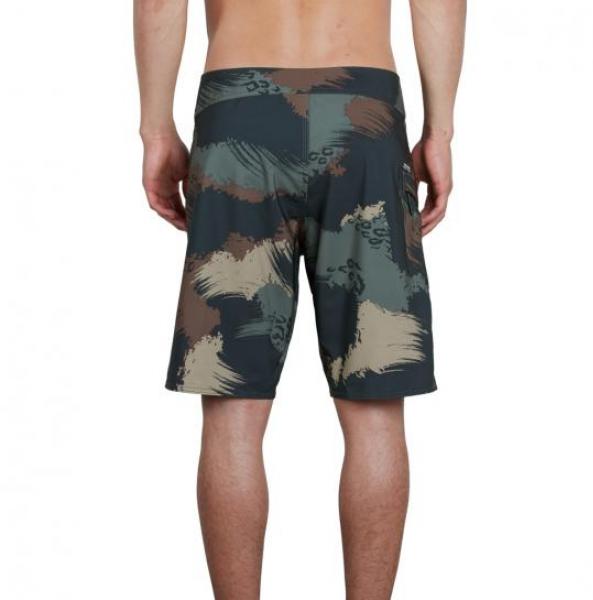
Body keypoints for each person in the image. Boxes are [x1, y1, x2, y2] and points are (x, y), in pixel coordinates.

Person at [134, 0, 466, 597]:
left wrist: (156, 128)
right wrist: (439, 131)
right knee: (375, 409)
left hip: (239, 114)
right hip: (364, 116)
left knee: (233, 413)